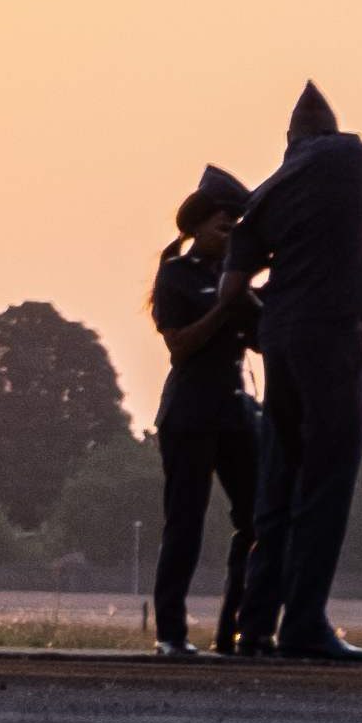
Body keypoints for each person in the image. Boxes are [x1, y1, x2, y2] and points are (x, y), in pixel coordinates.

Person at [233, 81, 362, 661]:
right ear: (329, 131)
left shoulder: (266, 193)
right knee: (327, 479)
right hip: (333, 331)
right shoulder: (346, 153)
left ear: (288, 141)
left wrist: (271, 318)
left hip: (280, 337)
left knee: (278, 480)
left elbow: (234, 287)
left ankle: (254, 626)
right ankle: (304, 625)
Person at [144, 166, 267, 658]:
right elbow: (180, 346)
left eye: (236, 224)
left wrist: (255, 298)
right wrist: (223, 308)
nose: (230, 231)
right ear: (197, 226)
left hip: (235, 415)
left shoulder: (234, 277)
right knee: (185, 524)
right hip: (190, 416)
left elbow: (260, 338)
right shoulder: (176, 275)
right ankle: (171, 634)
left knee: (257, 522)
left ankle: (234, 631)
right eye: (222, 223)